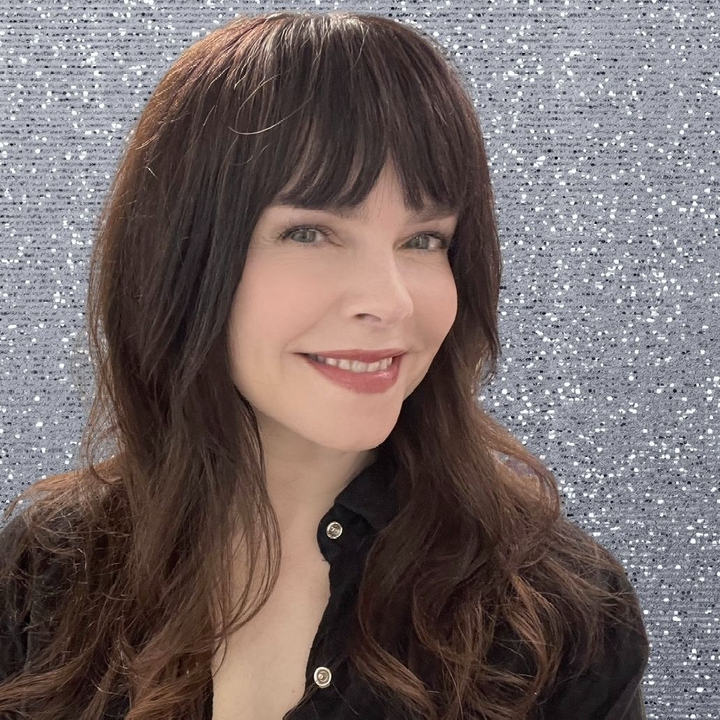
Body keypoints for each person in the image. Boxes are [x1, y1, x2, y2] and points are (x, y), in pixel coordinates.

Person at [0, 10, 649, 720]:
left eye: (425, 240)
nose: (391, 301)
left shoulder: (558, 616)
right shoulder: (46, 571)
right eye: (311, 232)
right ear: (183, 256)